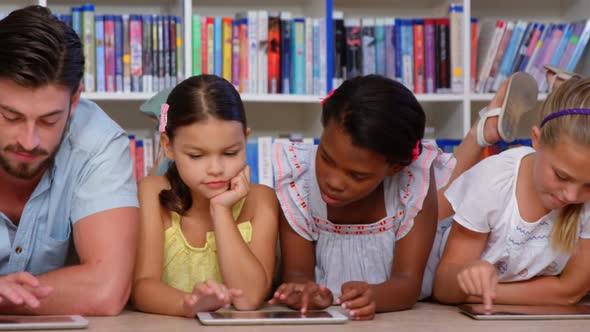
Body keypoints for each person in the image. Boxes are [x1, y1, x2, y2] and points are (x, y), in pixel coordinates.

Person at [269, 73, 539, 320]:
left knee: (447, 204)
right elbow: (297, 273)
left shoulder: (411, 180)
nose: (333, 181)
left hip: (425, 245)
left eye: (357, 175)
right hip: (403, 223)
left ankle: (485, 133)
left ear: (394, 167)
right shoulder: (299, 180)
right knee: (442, 199)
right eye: (326, 158)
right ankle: (481, 133)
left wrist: (374, 296)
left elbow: (407, 284)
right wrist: (305, 291)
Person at [0, 6, 138, 315]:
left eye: (49, 120)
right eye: (10, 117)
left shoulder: (99, 143)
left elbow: (106, 289)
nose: (29, 140)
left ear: (74, 101)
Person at [433, 76, 590, 311]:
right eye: (561, 176)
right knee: (426, 211)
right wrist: (465, 276)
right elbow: (443, 288)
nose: (570, 195)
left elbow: (570, 292)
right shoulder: (494, 180)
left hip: (501, 308)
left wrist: (483, 292)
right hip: (423, 258)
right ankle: (482, 132)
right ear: (536, 140)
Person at [132, 75, 279, 317]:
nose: (215, 169)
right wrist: (188, 304)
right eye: (197, 156)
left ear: (246, 140)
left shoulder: (263, 200)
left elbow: (249, 298)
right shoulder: (152, 192)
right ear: (168, 146)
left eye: (231, 152)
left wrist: (221, 210)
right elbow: (143, 287)